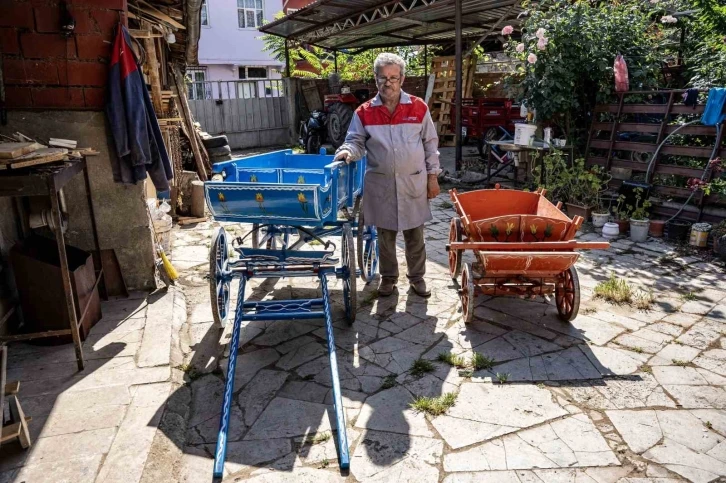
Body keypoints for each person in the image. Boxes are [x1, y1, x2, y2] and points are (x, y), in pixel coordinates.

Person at [334, 52, 441, 297]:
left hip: (413, 181)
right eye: (383, 77)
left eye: (393, 77)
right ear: (375, 79)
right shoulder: (364, 112)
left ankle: (417, 278)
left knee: (415, 235)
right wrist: (348, 151)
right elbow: (355, 141)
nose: (388, 82)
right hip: (381, 183)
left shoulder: (417, 107)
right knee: (385, 236)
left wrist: (433, 177)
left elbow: (430, 143)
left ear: (402, 79)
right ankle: (389, 278)